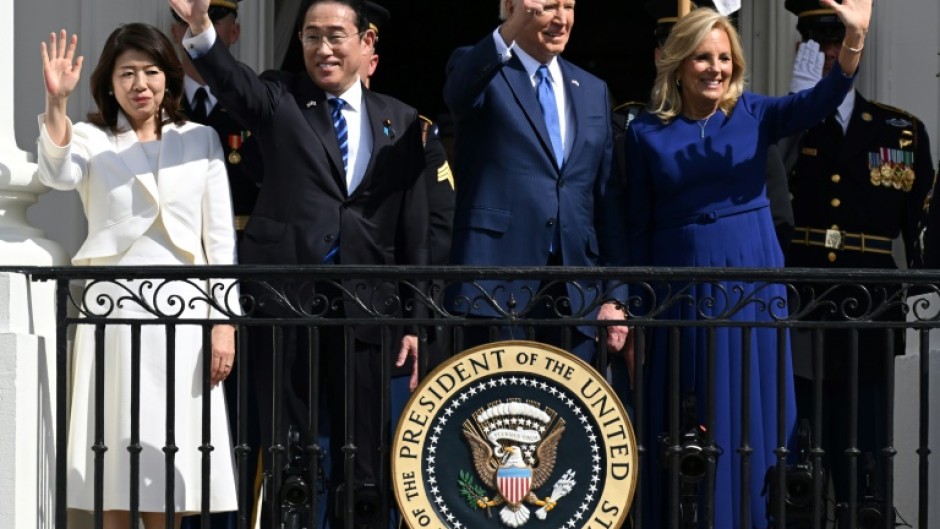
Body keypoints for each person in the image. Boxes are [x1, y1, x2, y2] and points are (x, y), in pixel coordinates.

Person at [168, 1, 430, 528]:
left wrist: (415, 321)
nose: (323, 48)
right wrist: (200, 31)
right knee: (292, 454)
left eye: (335, 35)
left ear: (365, 43)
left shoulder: (400, 120)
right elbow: (232, 81)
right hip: (286, 304)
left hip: (365, 310)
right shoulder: (280, 95)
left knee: (364, 455)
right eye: (311, 36)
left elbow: (412, 229)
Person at [622, 2, 870, 528]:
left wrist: (853, 40)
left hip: (752, 275)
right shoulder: (645, 132)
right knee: (692, 404)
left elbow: (821, 99)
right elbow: (637, 227)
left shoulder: (754, 113)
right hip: (682, 283)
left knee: (753, 407)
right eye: (704, 58)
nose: (717, 68)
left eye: (725, 58)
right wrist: (635, 308)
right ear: (679, 64)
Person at [36, 23, 238, 529]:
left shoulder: (202, 140)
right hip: (115, 313)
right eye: (126, 73)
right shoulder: (90, 137)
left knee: (171, 455)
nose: (139, 84)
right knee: (115, 452)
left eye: (150, 71)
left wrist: (224, 321)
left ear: (168, 78)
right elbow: (57, 174)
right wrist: (55, 104)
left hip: (185, 314)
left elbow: (220, 241)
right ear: (109, 82)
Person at [781, 0, 935, 521]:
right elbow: (762, 186)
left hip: (870, 304)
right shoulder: (781, 124)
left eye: (836, 40)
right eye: (816, 41)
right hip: (797, 299)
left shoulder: (899, 130)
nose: (827, 53)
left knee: (867, 445)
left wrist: (924, 286)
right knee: (797, 446)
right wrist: (797, 110)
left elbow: (921, 219)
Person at [443, 0, 630, 364]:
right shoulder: (483, 67)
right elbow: (458, 93)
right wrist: (510, 29)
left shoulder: (593, 89)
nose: (561, 19)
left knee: (567, 415)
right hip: (495, 281)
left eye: (570, 6)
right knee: (497, 414)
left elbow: (607, 200)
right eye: (547, 7)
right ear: (513, 7)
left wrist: (615, 294)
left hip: (574, 287)